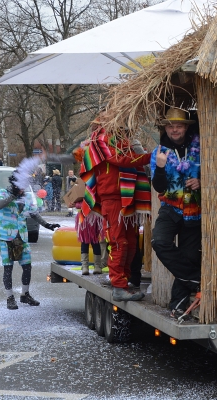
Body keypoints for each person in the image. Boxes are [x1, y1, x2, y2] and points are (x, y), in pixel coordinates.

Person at [76, 114, 152, 301]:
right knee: (119, 241)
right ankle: (118, 285)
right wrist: (150, 157)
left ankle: (123, 281)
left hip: (127, 195)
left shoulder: (121, 141)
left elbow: (126, 158)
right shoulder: (100, 141)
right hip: (112, 197)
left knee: (131, 242)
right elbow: (121, 160)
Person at [150, 108, 201, 318]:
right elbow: (159, 187)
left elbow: (214, 172)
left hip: (194, 210)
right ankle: (195, 278)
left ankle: (177, 305)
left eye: (179, 126)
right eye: (170, 126)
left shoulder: (200, 148)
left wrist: (201, 181)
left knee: (189, 256)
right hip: (170, 208)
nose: (174, 130)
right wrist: (161, 167)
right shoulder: (159, 152)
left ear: (186, 127)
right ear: (166, 129)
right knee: (159, 241)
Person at [0, 172, 60, 310]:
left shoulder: (27, 197)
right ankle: (10, 298)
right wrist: (13, 195)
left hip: (22, 236)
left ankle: (25, 294)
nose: (23, 188)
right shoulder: (2, 192)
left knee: (27, 266)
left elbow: (34, 214)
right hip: (6, 237)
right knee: (8, 268)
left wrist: (47, 225)